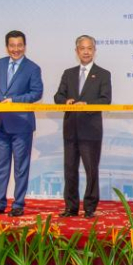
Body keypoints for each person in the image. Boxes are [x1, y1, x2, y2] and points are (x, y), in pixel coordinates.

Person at [0, 30, 43, 217]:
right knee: (1, 166)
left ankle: (18, 204)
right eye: (12, 46)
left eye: (19, 45)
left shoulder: (32, 68)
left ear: (24, 46)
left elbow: (36, 93)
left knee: (20, 167)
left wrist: (15, 100)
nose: (15, 49)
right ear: (7, 46)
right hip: (1, 122)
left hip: (21, 125)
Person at [54, 35, 112, 219]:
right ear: (77, 51)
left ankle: (89, 207)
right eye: (82, 48)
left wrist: (86, 104)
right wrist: (66, 101)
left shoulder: (103, 74)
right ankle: (71, 207)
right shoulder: (68, 73)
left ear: (94, 51)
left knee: (91, 170)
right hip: (71, 129)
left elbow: (105, 100)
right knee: (69, 170)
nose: (86, 52)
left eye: (89, 48)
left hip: (91, 130)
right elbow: (58, 96)